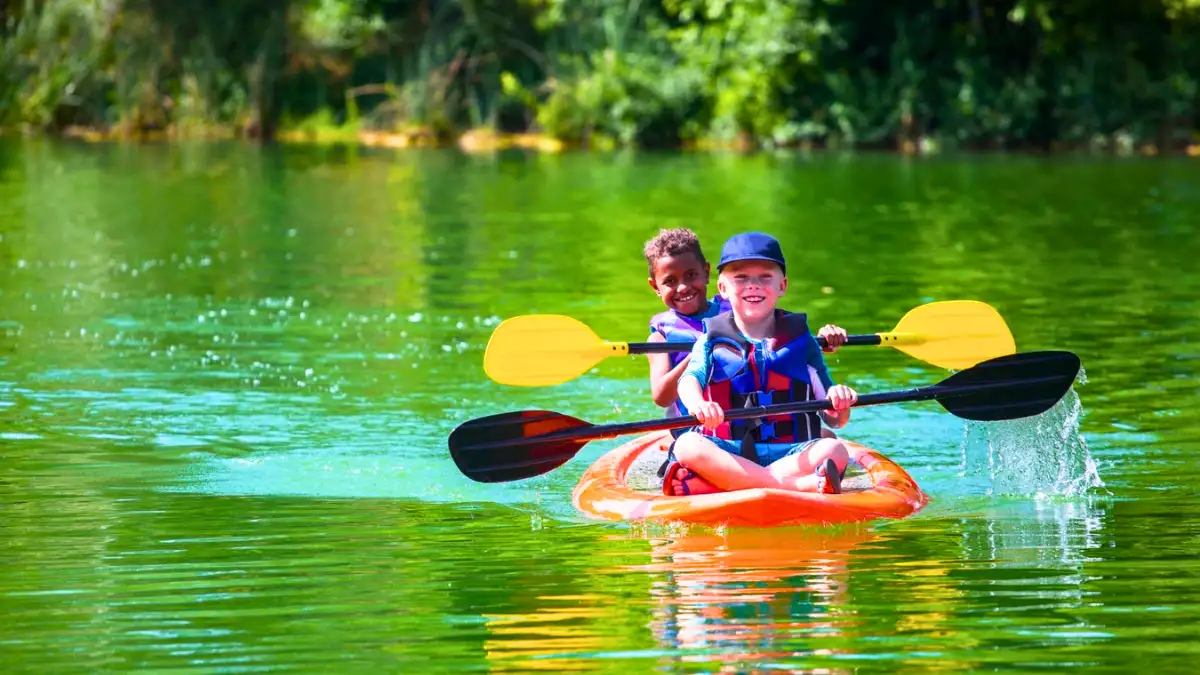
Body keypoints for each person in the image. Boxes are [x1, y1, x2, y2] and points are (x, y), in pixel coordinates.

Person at [661, 232, 856, 497]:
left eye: (765, 276)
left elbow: (835, 420)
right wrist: (698, 404)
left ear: (782, 285)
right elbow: (689, 380)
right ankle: (798, 487)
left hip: (791, 452)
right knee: (687, 445)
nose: (753, 285)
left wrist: (840, 401)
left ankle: (717, 484)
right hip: (729, 449)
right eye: (740, 277)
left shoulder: (803, 341)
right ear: (722, 288)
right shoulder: (710, 339)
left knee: (834, 449)